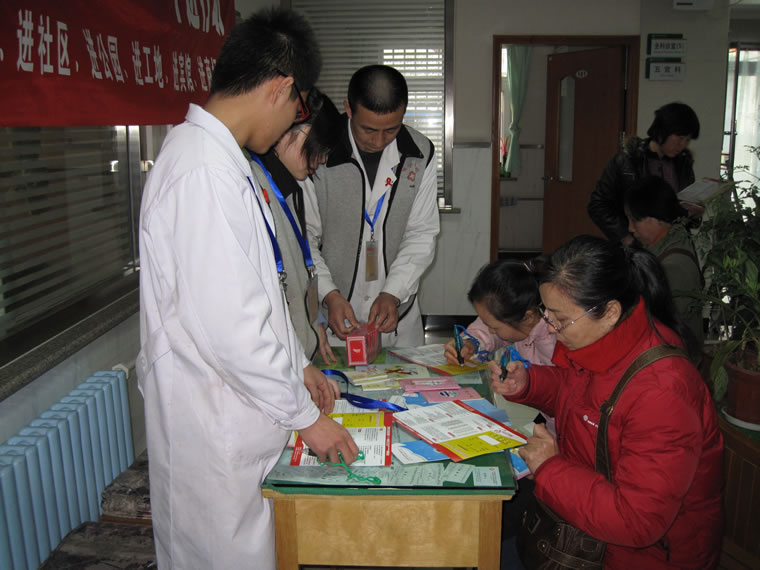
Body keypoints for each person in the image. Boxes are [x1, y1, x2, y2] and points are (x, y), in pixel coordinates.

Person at [136, 8, 359, 569]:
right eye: (298, 108)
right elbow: (230, 329)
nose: (291, 122)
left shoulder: (221, 161)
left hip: (240, 422)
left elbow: (256, 292)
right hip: (214, 433)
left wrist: (296, 365)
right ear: (282, 88)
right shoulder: (202, 172)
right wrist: (308, 419)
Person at [491, 235, 723, 569]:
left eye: (560, 318)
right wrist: (530, 383)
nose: (550, 329)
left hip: (643, 557)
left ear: (610, 311)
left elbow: (636, 521)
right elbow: (580, 394)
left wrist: (550, 468)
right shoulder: (603, 341)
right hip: (585, 528)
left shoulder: (664, 392)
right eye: (546, 312)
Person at [304, 64, 440, 348]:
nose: (379, 141)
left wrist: (393, 293)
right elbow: (306, 238)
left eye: (391, 129)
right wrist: (329, 294)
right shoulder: (319, 150)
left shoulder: (419, 153)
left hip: (397, 318)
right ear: (348, 109)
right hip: (335, 315)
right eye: (368, 129)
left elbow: (421, 233)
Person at [251, 88, 343, 403]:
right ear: (293, 128)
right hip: (277, 365)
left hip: (298, 357)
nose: (321, 160)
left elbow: (299, 271)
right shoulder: (255, 185)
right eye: (317, 149)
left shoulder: (291, 186)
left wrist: (315, 323)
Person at [588, 102, 700, 245]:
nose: (682, 145)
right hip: (635, 244)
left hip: (673, 244)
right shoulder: (627, 160)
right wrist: (625, 237)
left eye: (687, 140)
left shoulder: (683, 164)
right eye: (679, 137)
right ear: (662, 131)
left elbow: (681, 210)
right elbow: (598, 205)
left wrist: (694, 214)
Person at [625, 176, 704, 348]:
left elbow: (664, 329)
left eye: (635, 220)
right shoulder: (667, 244)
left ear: (657, 218)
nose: (630, 228)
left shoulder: (673, 267)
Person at [444, 259, 555, 368]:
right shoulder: (519, 318)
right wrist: (471, 343)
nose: (490, 331)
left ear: (527, 318)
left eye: (494, 328)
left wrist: (525, 377)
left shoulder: (553, 342)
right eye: (488, 324)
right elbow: (485, 329)